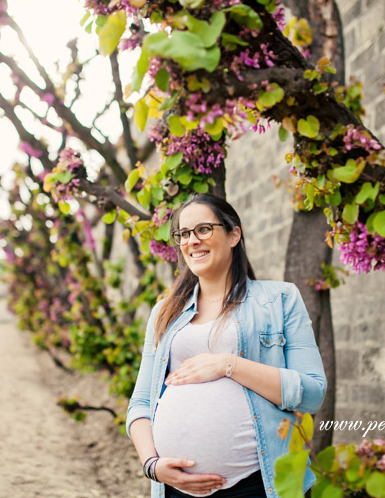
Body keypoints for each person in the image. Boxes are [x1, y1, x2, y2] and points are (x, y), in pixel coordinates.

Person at [126, 194, 328, 498]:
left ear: (234, 234)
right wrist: (152, 465)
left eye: (204, 229)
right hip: (175, 488)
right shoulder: (164, 313)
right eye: (183, 234)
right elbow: (141, 402)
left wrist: (227, 365)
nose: (192, 241)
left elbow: (312, 393)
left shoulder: (279, 299)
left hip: (258, 486)